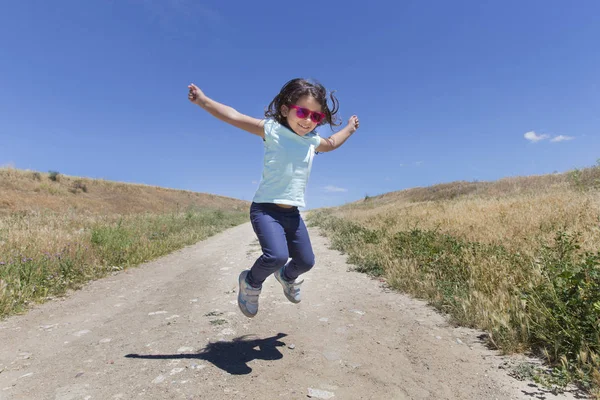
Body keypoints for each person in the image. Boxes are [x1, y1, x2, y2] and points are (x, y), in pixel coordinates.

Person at [187, 78, 359, 318]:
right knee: (276, 256)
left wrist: (349, 129)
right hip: (266, 210)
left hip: (292, 213)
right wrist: (204, 101)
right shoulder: (272, 130)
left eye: (316, 117)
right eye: (302, 112)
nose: (308, 120)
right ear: (286, 109)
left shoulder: (311, 141)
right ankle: (251, 282)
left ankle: (286, 277)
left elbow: (331, 144)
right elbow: (234, 116)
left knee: (306, 261)